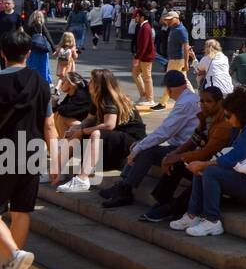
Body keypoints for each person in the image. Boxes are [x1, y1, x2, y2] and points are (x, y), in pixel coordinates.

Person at [171, 89, 246, 237]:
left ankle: (212, 220)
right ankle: (192, 215)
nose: (226, 119)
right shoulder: (239, 127)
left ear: (240, 114)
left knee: (208, 171)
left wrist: (203, 164)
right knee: (202, 170)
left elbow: (233, 156)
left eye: (228, 116)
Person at [0, 30, 58, 269]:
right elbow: (49, 126)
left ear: (2, 53)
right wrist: (55, 160)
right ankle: (10, 267)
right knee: (22, 210)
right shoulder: (41, 82)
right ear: (28, 54)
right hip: (33, 150)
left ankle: (14, 254)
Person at [98, 71, 202, 210]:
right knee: (142, 145)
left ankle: (126, 190)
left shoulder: (186, 103)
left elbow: (165, 132)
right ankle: (123, 185)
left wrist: (138, 148)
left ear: (170, 89)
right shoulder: (187, 99)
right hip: (181, 145)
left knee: (146, 150)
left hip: (184, 149)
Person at [140, 87, 233, 223]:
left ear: (219, 103)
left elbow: (206, 153)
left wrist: (179, 157)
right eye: (201, 101)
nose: (204, 104)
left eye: (208, 101)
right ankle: (162, 202)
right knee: (175, 162)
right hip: (202, 163)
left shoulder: (223, 125)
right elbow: (192, 141)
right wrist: (173, 154)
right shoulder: (205, 118)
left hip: (214, 166)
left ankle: (173, 209)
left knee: (196, 174)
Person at [55, 69, 146, 193]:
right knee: (75, 131)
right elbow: (89, 119)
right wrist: (78, 128)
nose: (89, 83)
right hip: (114, 139)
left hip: (131, 140)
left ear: (99, 84)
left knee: (94, 133)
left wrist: (83, 131)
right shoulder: (96, 98)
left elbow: (109, 125)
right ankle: (56, 171)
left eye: (92, 80)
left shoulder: (109, 99)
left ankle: (83, 179)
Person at [130, 8, 159, 110]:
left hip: (146, 56)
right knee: (135, 73)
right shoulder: (144, 26)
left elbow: (144, 45)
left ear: (142, 17)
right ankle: (144, 95)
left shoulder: (145, 27)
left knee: (147, 77)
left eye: (137, 16)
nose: (136, 18)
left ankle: (150, 99)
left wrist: (137, 57)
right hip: (143, 56)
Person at [160, 11, 192, 97]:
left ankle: (162, 103)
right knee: (184, 80)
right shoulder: (173, 28)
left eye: (170, 20)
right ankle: (194, 98)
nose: (168, 22)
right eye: (167, 20)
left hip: (177, 59)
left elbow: (186, 47)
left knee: (169, 79)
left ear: (177, 19)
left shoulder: (181, 30)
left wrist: (186, 63)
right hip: (174, 58)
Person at [26, 10, 54, 85]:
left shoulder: (29, 26)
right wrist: (53, 47)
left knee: (32, 66)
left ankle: (31, 81)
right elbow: (48, 36)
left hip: (32, 50)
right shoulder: (41, 26)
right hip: (42, 49)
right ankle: (43, 82)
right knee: (43, 66)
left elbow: (26, 38)